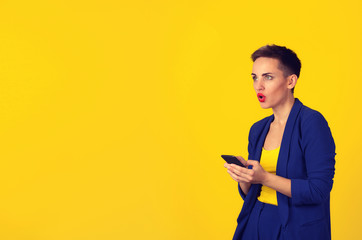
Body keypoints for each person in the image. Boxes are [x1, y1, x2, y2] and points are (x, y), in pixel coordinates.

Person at [224, 44, 336, 240]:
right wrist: (244, 178)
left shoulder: (311, 123)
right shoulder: (258, 129)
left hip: (296, 228)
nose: (259, 85)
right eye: (254, 77)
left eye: (268, 77)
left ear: (290, 81)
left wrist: (265, 178)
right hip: (256, 222)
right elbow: (252, 192)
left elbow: (318, 190)